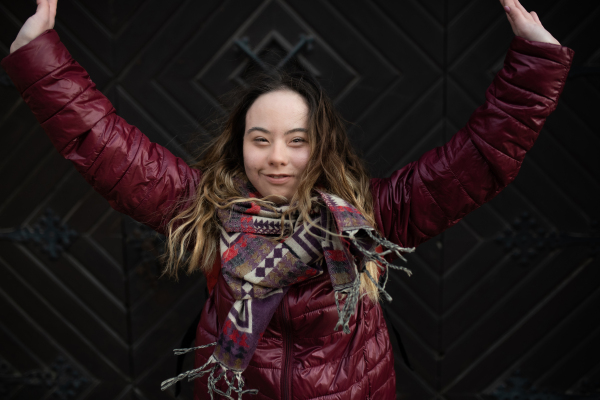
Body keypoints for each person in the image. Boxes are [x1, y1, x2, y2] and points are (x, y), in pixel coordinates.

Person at [1, 0, 574, 399]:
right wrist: (39, 58)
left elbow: (477, 159)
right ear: (241, 146)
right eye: (261, 139)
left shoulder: (372, 217)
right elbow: (107, 147)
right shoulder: (204, 208)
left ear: (320, 147)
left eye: (297, 141)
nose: (278, 157)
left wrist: (536, 63)